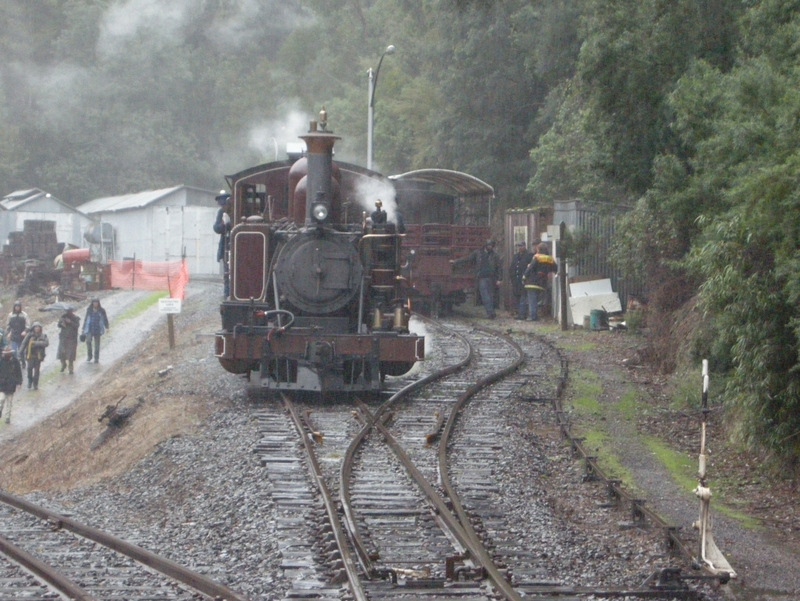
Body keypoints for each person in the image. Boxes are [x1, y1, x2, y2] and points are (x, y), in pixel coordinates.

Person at [451, 239, 503, 319]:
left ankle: (491, 312)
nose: (490, 247)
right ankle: (490, 312)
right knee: (485, 296)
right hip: (482, 277)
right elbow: (467, 259)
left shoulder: (495, 255)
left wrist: (499, 279)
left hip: (492, 278)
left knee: (491, 296)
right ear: (486, 245)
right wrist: (456, 261)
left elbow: (499, 268)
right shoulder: (478, 253)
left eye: (491, 245)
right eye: (489, 245)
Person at [523, 242, 558, 321]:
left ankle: (533, 316)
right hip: (542, 282)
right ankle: (536, 314)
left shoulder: (537, 257)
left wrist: (524, 276)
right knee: (538, 299)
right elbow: (555, 268)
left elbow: (530, 268)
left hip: (532, 281)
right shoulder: (550, 259)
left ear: (538, 249)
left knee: (532, 299)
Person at [213, 191, 233, 298]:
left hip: (236, 244)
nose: (223, 207)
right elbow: (216, 228)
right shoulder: (221, 213)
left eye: (224, 204)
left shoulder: (236, 211)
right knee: (226, 274)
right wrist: (224, 224)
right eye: (222, 205)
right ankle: (227, 295)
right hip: (226, 245)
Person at [20, 322, 48, 390]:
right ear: (33, 328)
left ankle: (35, 384)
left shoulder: (43, 335)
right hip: (30, 355)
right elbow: (24, 343)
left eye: (38, 327)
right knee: (29, 369)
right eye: (35, 327)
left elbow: (46, 343)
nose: (37, 328)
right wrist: (20, 351)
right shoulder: (29, 335)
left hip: (38, 356)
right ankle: (30, 381)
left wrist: (36, 343)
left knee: (37, 371)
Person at [510, 241, 533, 320]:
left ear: (525, 246)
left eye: (521, 246)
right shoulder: (516, 256)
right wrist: (512, 277)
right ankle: (519, 312)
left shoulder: (529, 256)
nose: (520, 247)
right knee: (517, 297)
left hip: (524, 279)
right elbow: (512, 267)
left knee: (523, 297)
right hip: (516, 280)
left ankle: (522, 314)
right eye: (519, 246)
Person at [83, 298, 109, 364]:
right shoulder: (89, 310)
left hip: (98, 329)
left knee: (97, 344)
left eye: (96, 302)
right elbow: (86, 319)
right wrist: (83, 328)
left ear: (98, 303)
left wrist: (107, 327)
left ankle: (96, 358)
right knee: (88, 341)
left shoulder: (102, 310)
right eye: (94, 302)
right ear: (92, 303)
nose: (95, 304)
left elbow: (105, 319)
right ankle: (89, 356)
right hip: (90, 329)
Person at [0, 347, 22, 423]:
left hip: (11, 384)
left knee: (9, 401)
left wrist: (19, 383)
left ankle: (7, 417)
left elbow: (19, 372)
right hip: (2, 384)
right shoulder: (1, 361)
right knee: (1, 399)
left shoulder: (15, 361)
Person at [56, 306, 81, 374]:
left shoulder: (75, 318)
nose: (68, 312)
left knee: (70, 355)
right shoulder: (63, 317)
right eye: (67, 311)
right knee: (62, 353)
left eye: (70, 311)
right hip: (63, 338)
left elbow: (77, 326)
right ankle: (63, 364)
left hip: (72, 338)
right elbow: (58, 325)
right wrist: (62, 324)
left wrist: (70, 322)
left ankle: (70, 368)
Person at [6, 301, 30, 368]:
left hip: (21, 335)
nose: (17, 308)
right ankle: (15, 364)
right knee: (13, 352)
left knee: (21, 350)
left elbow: (28, 325)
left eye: (18, 307)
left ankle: (23, 362)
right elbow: (8, 325)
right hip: (13, 335)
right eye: (16, 307)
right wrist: (9, 332)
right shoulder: (10, 315)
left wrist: (25, 331)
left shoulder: (24, 315)